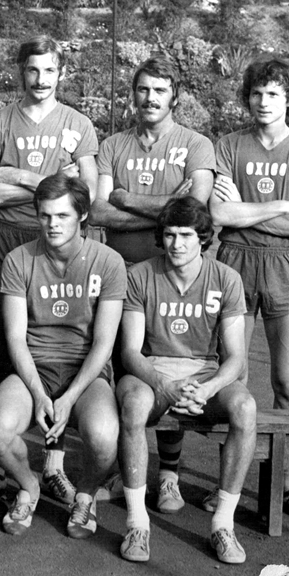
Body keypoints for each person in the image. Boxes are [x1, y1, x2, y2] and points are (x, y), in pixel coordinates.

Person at [0, 35, 99, 502]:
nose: (40, 79)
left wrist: (19, 176)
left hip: (61, 245)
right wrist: (53, 182)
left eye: (49, 70)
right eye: (32, 70)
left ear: (61, 72)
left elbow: (88, 196)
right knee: (1, 346)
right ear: (20, 72)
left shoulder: (78, 123)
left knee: (56, 344)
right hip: (8, 239)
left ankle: (53, 464)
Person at [89, 57, 215, 511]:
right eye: (143, 89)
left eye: (160, 90)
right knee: (120, 369)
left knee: (170, 365)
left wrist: (126, 198)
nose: (150, 98)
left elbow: (194, 211)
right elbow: (97, 211)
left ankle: (169, 476)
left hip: (171, 275)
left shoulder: (196, 144)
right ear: (133, 94)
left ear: (174, 97)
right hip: (118, 273)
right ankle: (119, 469)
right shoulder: (113, 144)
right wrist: (164, 206)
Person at [210, 56, 289, 520]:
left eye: (273, 93)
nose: (263, 101)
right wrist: (282, 204)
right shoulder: (228, 145)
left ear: (288, 99)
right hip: (234, 263)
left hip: (286, 267)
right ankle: (227, 483)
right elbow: (219, 215)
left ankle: (288, 484)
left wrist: (247, 209)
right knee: (232, 380)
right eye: (257, 93)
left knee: (287, 383)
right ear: (247, 97)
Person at [0, 175, 124, 539]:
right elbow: (16, 338)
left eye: (62, 215)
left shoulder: (108, 261)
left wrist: (70, 398)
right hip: (35, 368)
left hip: (85, 373)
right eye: (45, 215)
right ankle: (28, 486)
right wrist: (39, 393)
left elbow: (104, 343)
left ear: (83, 216)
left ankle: (85, 495)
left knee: (104, 436)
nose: (53, 224)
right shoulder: (18, 259)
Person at [117, 197, 255, 564]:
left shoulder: (226, 278)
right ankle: (137, 523)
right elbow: (130, 352)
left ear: (203, 238)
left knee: (245, 407)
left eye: (186, 235)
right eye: (169, 235)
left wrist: (208, 388)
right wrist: (164, 385)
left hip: (204, 372)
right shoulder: (140, 275)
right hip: (151, 371)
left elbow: (236, 356)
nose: (176, 244)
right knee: (133, 404)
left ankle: (223, 524)